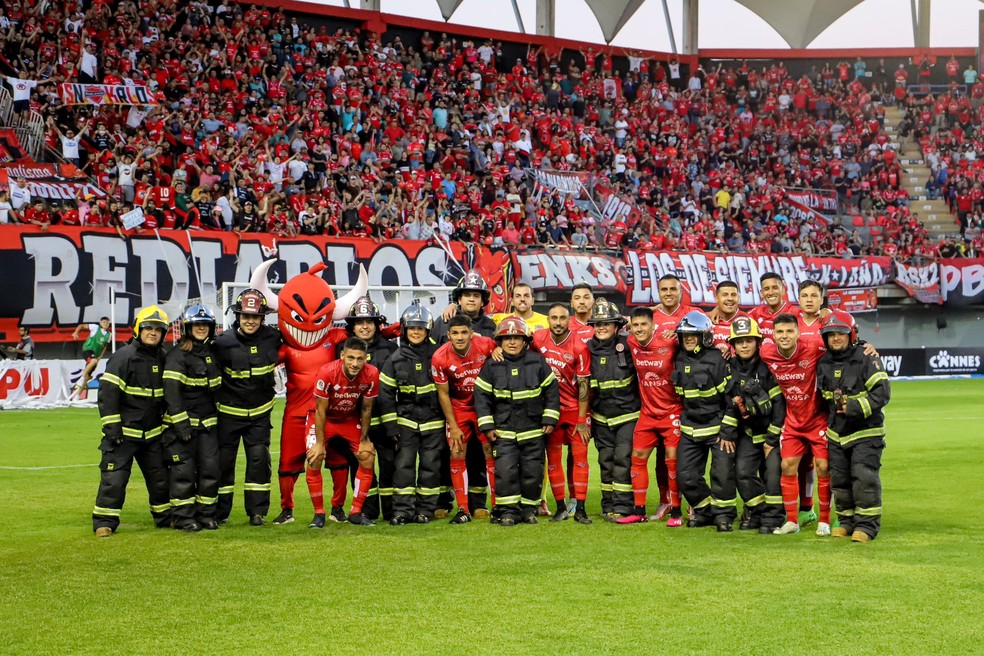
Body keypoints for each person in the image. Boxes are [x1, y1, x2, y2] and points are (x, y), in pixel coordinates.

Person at [91, 306, 171, 536]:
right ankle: (104, 522)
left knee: (160, 480)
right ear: (138, 329)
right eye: (148, 328)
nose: (153, 333)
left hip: (153, 434)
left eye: (158, 329)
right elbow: (108, 394)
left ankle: (165, 518)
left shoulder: (163, 357)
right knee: (114, 480)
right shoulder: (123, 356)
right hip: (123, 434)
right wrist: (112, 427)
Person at [474, 316, 560, 525]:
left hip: (533, 431)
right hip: (504, 432)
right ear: (500, 341)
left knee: (533, 472)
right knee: (506, 472)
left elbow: (552, 390)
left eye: (516, 338)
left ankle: (528, 510)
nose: (511, 342)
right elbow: (481, 397)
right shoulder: (491, 366)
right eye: (507, 338)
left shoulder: (537, 362)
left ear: (525, 341)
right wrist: (487, 426)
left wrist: (550, 418)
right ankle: (508, 512)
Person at [816, 315, 891, 542]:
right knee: (839, 480)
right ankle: (846, 522)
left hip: (866, 432)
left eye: (841, 333)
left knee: (863, 477)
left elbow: (882, 393)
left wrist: (854, 407)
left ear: (852, 334)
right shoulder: (823, 362)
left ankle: (866, 526)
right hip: (837, 434)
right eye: (831, 334)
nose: (836, 338)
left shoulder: (867, 358)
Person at [759, 312, 832, 536]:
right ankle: (792, 521)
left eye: (790, 331)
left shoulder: (814, 346)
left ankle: (824, 520)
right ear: (773, 335)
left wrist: (866, 346)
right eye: (780, 332)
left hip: (817, 419)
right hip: (793, 421)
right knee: (787, 466)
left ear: (798, 333)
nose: (785, 336)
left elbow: (840, 342)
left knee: (823, 467)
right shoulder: (766, 352)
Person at [213, 289, 282, 526]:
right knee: (223, 464)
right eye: (246, 316)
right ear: (238, 316)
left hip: (260, 416)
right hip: (228, 415)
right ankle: (220, 513)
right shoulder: (222, 343)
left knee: (259, 462)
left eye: (255, 316)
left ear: (263, 318)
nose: (250, 321)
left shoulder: (273, 337)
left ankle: (257, 512)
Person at [672, 311, 740, 532]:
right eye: (684, 335)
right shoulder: (679, 358)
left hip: (718, 428)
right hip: (690, 428)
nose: (688, 339)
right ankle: (704, 511)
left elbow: (730, 399)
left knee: (722, 474)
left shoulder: (717, 359)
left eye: (693, 335)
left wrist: (727, 430)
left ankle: (724, 516)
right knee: (686, 476)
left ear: (705, 336)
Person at [379, 302, 445, 524]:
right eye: (412, 328)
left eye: (420, 328)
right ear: (405, 330)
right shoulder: (395, 358)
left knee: (430, 467)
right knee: (403, 467)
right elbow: (386, 395)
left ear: (428, 330)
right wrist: (391, 426)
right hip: (406, 422)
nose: (416, 332)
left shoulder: (438, 355)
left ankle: (425, 510)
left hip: (434, 422)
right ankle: (402, 511)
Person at [431, 314, 499, 522]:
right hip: (459, 407)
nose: (459, 337)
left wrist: (498, 349)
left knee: (489, 450)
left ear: (471, 333)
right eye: (455, 333)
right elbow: (443, 394)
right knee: (456, 451)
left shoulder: (486, 344)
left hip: (483, 406)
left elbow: (501, 350)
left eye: (463, 332)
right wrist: (453, 426)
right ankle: (463, 508)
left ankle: (497, 506)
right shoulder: (439, 357)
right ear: (448, 335)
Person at [619, 306, 683, 526]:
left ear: (653, 325)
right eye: (635, 325)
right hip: (647, 413)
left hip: (672, 411)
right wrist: (629, 322)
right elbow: (616, 323)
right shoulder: (631, 342)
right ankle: (639, 511)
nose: (639, 329)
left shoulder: (669, 342)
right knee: (637, 457)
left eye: (644, 324)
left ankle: (677, 512)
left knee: (672, 461)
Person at [162, 305, 222, 532]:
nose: (201, 328)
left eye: (205, 324)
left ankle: (206, 515)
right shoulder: (177, 355)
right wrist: (181, 424)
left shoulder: (211, 353)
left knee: (210, 470)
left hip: (208, 426)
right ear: (188, 328)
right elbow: (171, 392)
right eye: (197, 324)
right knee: (183, 473)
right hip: (183, 428)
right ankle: (183, 518)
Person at [307, 337, 379, 526]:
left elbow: (366, 409)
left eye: (360, 359)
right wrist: (320, 443)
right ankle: (319, 513)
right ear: (342, 356)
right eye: (351, 358)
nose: (355, 363)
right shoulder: (327, 372)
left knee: (367, 456)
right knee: (315, 457)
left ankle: (356, 512)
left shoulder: (372, 373)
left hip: (348, 420)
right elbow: (320, 410)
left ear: (366, 358)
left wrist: (364, 439)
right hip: (324, 419)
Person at [531, 303, 592, 524]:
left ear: (569, 320)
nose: (558, 322)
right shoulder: (537, 339)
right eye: (554, 318)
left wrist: (582, 420)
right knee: (553, 460)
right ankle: (560, 507)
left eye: (562, 318)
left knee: (580, 459)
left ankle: (581, 509)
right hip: (550, 412)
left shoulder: (579, 347)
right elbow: (513, 344)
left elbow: (584, 386)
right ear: (548, 320)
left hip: (575, 411)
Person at [727, 317, 786, 534]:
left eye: (749, 341)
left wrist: (771, 439)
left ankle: (773, 518)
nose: (744, 345)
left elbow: (779, 406)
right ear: (733, 346)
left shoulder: (768, 367)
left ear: (758, 342)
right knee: (742, 472)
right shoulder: (728, 368)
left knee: (772, 477)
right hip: (748, 434)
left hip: (772, 433)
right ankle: (757, 511)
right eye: (739, 341)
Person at [342, 297, 398, 522]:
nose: (365, 326)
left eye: (369, 322)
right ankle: (366, 509)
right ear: (352, 326)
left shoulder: (390, 349)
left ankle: (392, 510)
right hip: (354, 421)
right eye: (359, 322)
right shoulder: (342, 349)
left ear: (377, 324)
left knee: (389, 464)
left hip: (385, 420)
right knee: (359, 465)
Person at [586, 298, 637, 522]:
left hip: (628, 415)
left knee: (622, 460)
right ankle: (607, 505)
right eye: (598, 324)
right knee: (605, 461)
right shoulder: (586, 349)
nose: (601, 327)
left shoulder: (629, 346)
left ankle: (624, 507)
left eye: (606, 323)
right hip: (601, 418)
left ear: (616, 326)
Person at [72, 317, 112, 400]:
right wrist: (76, 332)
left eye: (107, 323)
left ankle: (77, 396)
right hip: (87, 349)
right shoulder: (95, 327)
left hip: (96, 355)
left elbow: (105, 346)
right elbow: (81, 326)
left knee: (88, 377)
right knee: (93, 361)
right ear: (100, 323)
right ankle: (81, 378)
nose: (105, 324)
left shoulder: (109, 334)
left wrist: (100, 356)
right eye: (104, 322)